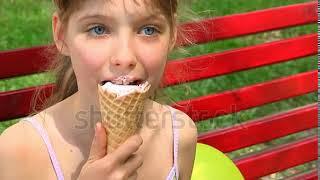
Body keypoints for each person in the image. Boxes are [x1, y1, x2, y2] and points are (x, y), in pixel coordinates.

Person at [0, 0, 198, 180]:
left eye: (148, 30)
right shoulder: (19, 151)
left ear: (172, 34)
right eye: (98, 29)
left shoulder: (179, 135)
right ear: (62, 35)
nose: (125, 57)